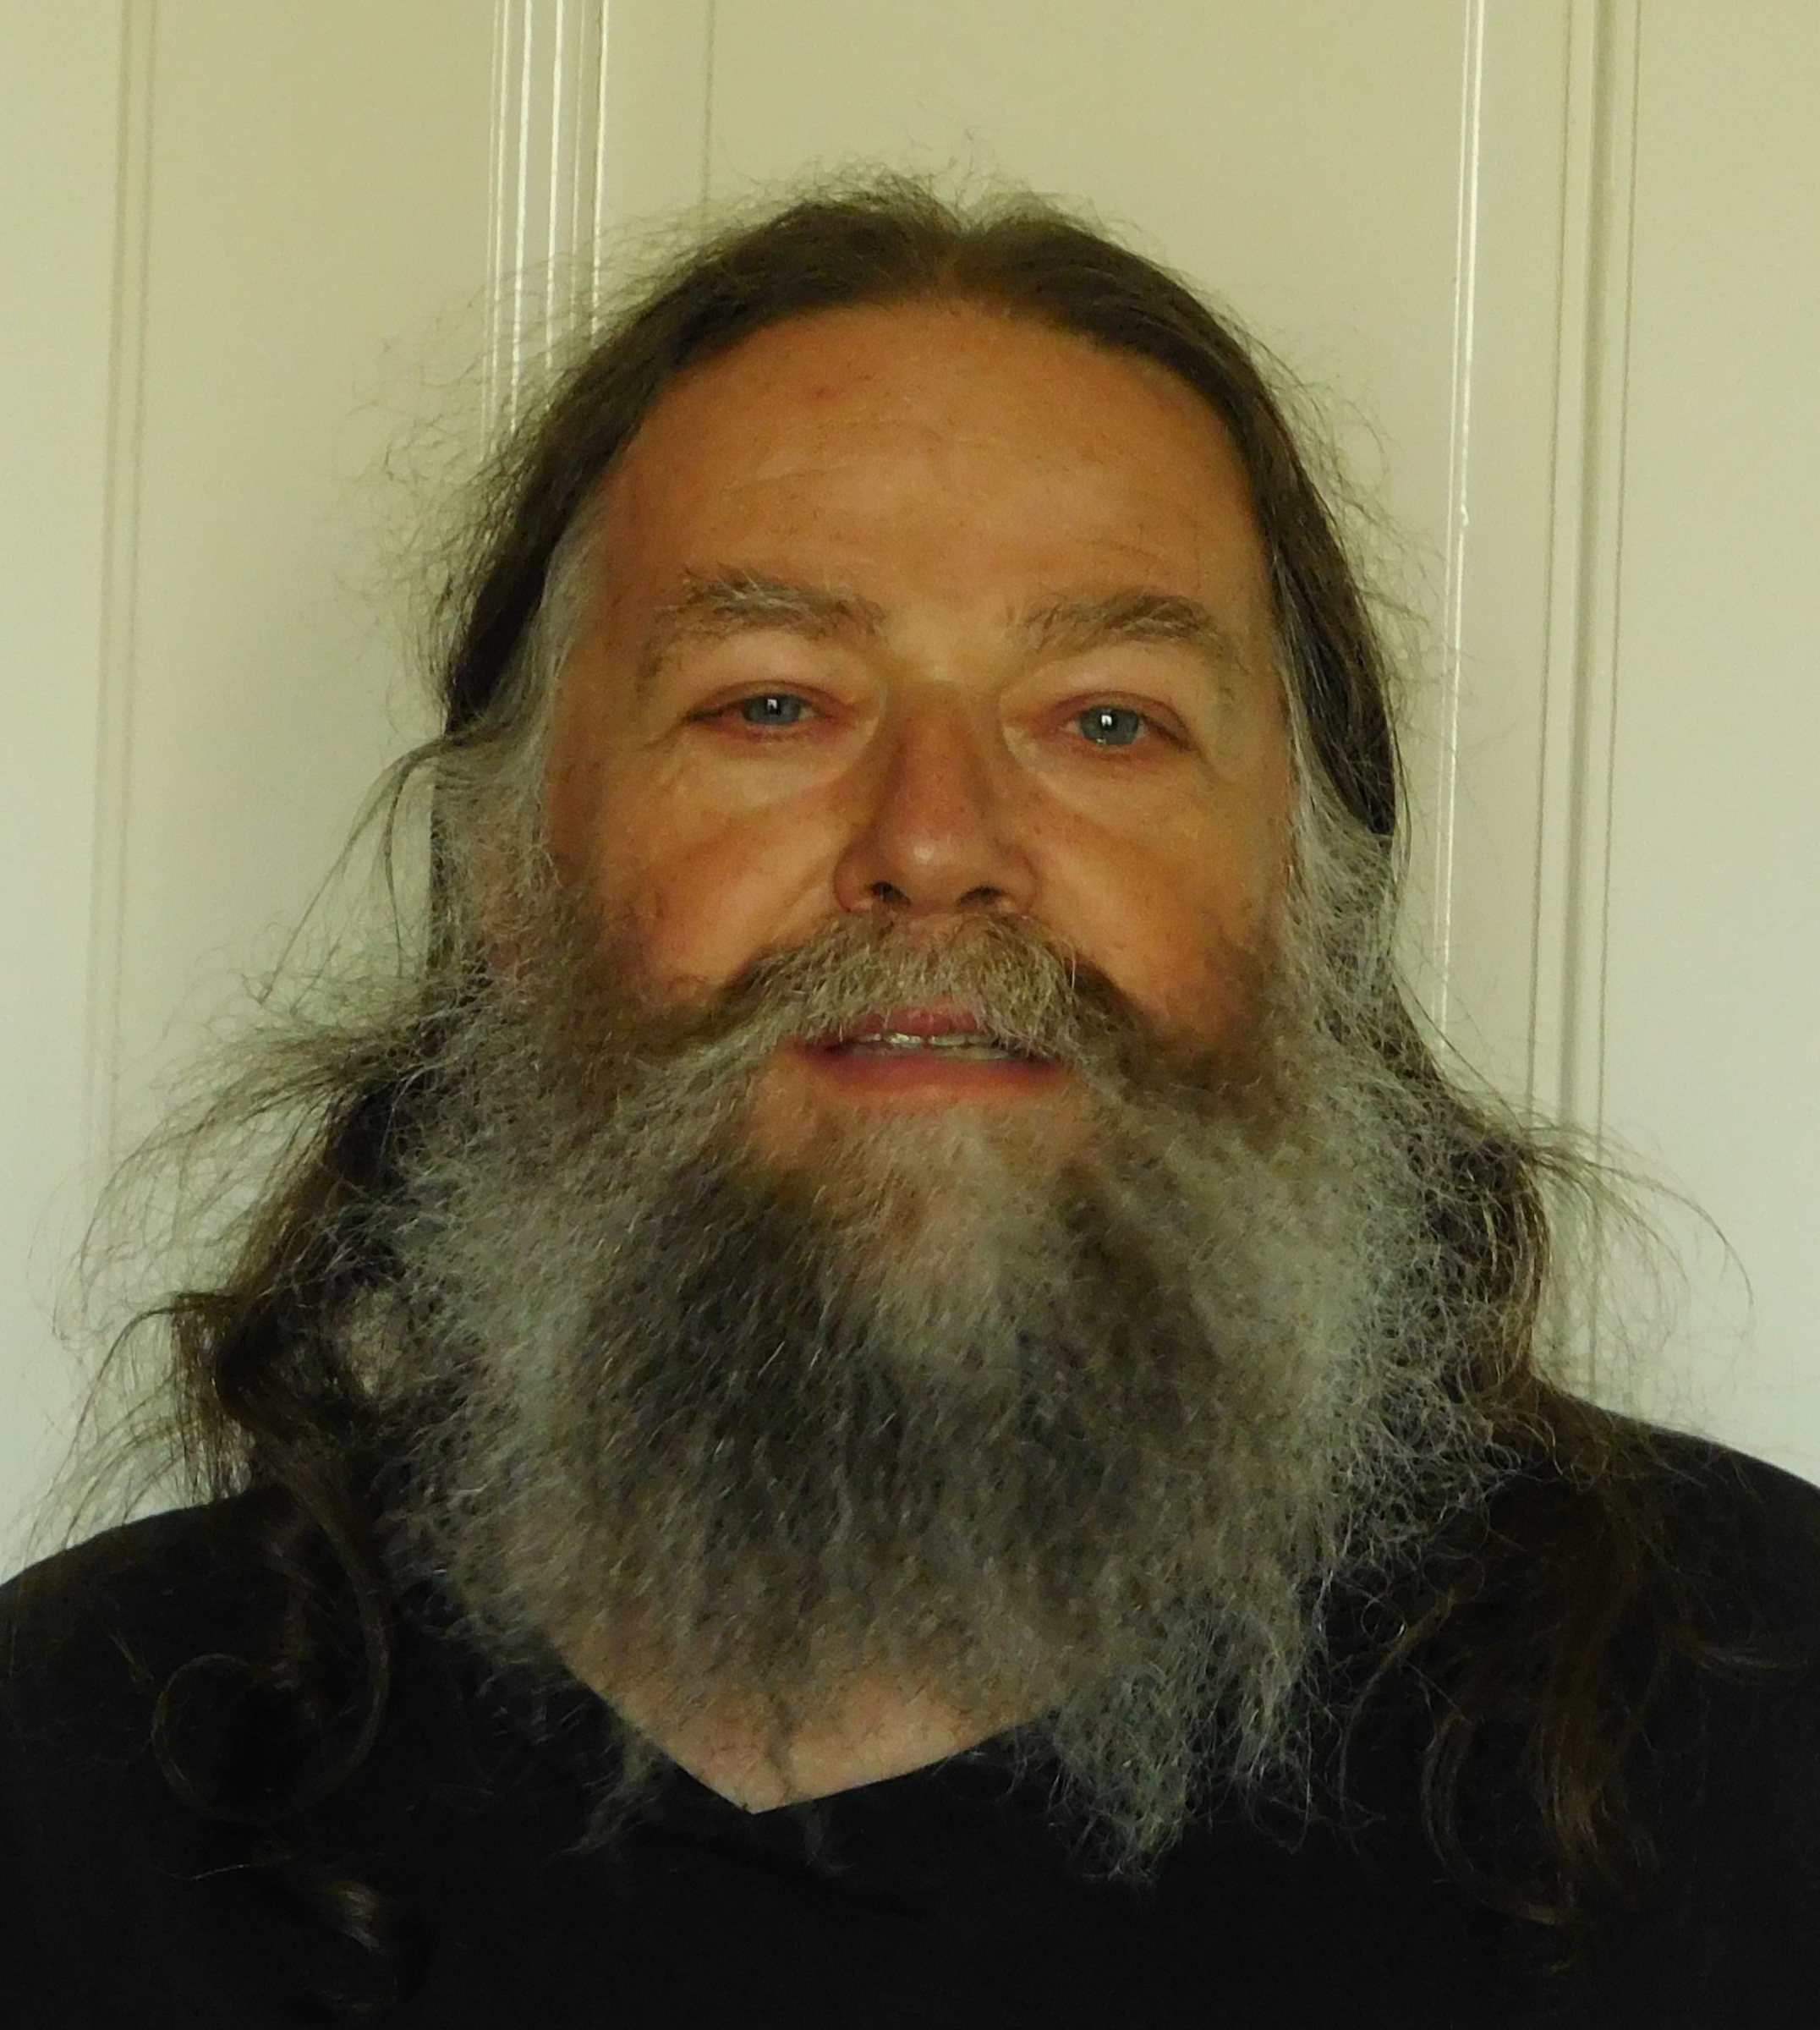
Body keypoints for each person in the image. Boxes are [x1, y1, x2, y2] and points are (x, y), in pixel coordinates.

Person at [3, 177, 1816, 2028]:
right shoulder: (73, 1776)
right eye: (771, 705)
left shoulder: (1756, 1720)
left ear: (1312, 905)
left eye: (1106, 719)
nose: (936, 844)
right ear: (506, 887)